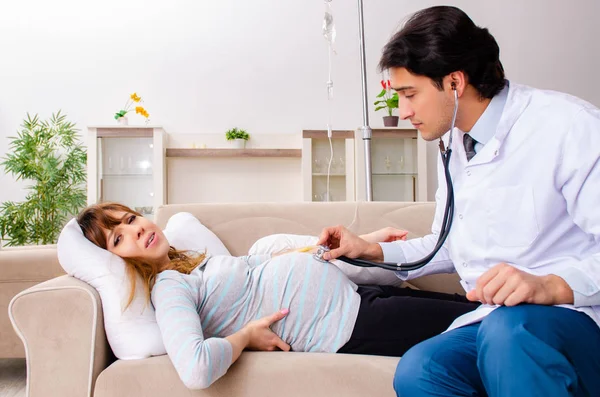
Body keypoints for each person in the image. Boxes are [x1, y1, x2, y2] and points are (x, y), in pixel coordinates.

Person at [317, 5, 600, 397]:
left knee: (508, 335)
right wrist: (371, 250)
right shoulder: (455, 142)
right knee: (420, 369)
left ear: (454, 82)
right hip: (496, 321)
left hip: (577, 317)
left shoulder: (568, 126)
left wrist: (551, 285)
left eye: (410, 94)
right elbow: (449, 244)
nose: (403, 112)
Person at [77, 202, 479, 390]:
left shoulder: (189, 264)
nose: (136, 230)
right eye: (118, 237)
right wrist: (246, 338)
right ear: (117, 260)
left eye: (131, 219)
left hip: (358, 297)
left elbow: (270, 266)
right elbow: (195, 368)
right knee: (481, 323)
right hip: (347, 327)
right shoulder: (169, 287)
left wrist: (366, 243)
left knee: (479, 310)